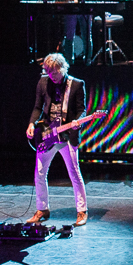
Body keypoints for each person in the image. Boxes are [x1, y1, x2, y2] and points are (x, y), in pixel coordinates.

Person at [25, 53, 89, 226]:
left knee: (74, 174)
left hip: (67, 135)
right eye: (48, 72)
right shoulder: (43, 82)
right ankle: (42, 209)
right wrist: (32, 123)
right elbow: (38, 107)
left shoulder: (76, 84)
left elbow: (81, 110)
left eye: (54, 72)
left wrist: (77, 123)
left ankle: (82, 211)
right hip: (47, 134)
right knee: (39, 173)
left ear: (62, 69)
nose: (51, 76)